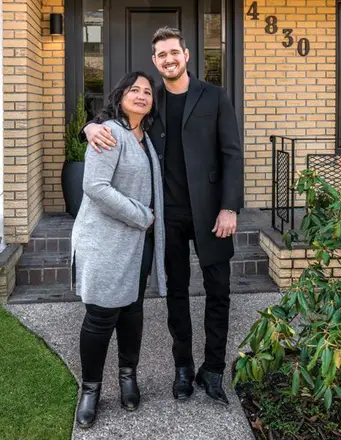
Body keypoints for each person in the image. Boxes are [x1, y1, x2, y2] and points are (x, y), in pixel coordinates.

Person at [82, 26, 243, 406]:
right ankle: (183, 368)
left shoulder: (215, 96)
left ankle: (214, 369)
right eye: (161, 55)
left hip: (213, 214)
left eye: (174, 52)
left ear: (186, 55)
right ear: (156, 62)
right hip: (166, 216)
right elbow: (116, 123)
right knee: (176, 294)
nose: (169, 59)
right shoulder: (149, 100)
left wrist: (230, 206)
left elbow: (232, 154)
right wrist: (89, 128)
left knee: (219, 293)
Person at [71, 71, 166, 429]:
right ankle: (90, 390)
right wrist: (143, 215)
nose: (141, 95)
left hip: (135, 244)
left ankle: (129, 377)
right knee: (99, 316)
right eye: (134, 90)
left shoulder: (146, 137)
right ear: (121, 95)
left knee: (131, 311)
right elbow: (94, 187)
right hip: (105, 241)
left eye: (147, 91)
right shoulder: (109, 132)